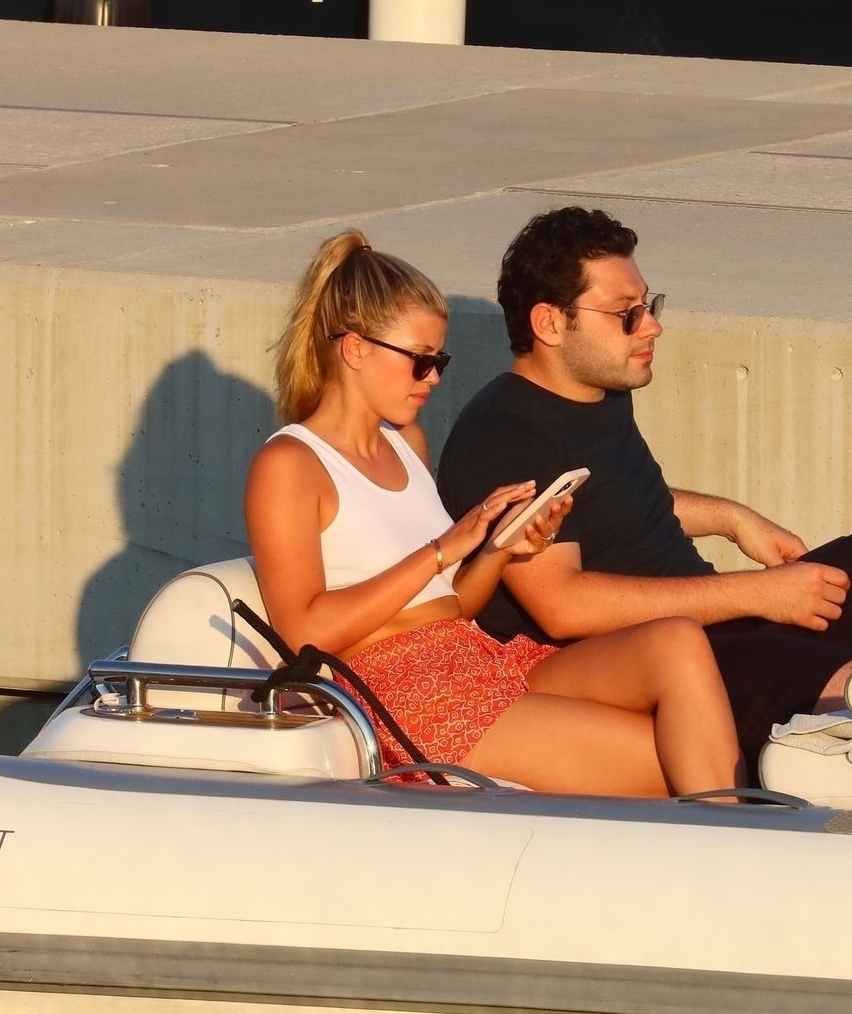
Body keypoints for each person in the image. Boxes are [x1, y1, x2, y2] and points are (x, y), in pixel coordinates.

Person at [438, 206, 852, 769]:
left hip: (733, 620)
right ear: (550, 323)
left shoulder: (597, 389)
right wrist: (757, 593)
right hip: (680, 664)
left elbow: (617, 504)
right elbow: (565, 605)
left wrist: (733, 519)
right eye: (626, 314)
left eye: (650, 305)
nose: (653, 326)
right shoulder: (503, 437)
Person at [245, 230, 740, 797]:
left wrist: (500, 548)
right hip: (407, 690)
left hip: (479, 656)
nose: (434, 378)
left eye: (439, 360)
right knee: (669, 761)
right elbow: (305, 633)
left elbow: (456, 604)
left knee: (677, 641)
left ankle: (728, 831)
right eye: (419, 361)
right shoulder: (290, 463)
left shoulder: (406, 444)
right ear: (355, 350)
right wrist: (439, 552)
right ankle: (735, 843)